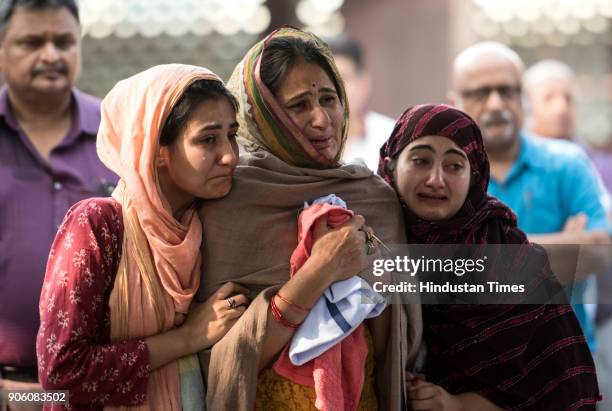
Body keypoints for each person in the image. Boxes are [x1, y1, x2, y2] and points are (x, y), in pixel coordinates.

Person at [197, 26, 421, 410]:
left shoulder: (374, 198)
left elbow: (397, 345)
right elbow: (219, 354)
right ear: (264, 114)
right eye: (299, 105)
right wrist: (321, 270)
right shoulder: (228, 202)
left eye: (329, 99)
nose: (322, 119)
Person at [36, 64, 245, 410]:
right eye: (208, 139)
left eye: (232, 135)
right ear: (156, 149)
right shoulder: (98, 225)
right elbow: (61, 372)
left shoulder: (211, 221)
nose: (230, 156)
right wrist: (189, 337)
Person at [379, 103, 600, 410]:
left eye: (454, 166)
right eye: (420, 160)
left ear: (475, 175)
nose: (436, 179)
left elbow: (552, 391)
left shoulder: (511, 256)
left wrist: (454, 405)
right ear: (390, 166)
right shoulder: (373, 239)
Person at [447, 42, 611, 354]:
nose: (496, 103)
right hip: (475, 371)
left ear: (523, 97)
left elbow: (600, 251)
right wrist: (565, 245)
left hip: (566, 365)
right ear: (454, 101)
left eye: (507, 91)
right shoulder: (442, 177)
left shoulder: (567, 163)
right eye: (481, 93)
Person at [0, 0, 117, 397]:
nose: (51, 55)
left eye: (64, 42)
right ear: (1, 50)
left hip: (99, 387)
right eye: (32, 42)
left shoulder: (117, 136)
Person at [524, 59, 612, 411]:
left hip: (590, 333)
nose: (561, 108)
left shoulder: (593, 164)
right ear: (526, 104)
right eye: (549, 98)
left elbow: (596, 248)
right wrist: (564, 241)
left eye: (568, 98)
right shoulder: (491, 165)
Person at [326, 35, 396, 171]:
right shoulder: (299, 141)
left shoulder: (391, 138)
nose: (331, 89)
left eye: (341, 79)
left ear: (364, 84)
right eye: (324, 79)